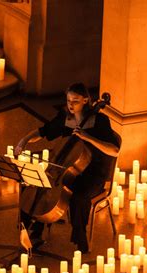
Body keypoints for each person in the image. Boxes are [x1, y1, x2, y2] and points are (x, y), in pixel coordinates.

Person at [15, 83, 120, 253]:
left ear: (86, 100)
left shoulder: (100, 121)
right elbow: (44, 131)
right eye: (69, 100)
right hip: (65, 169)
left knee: (78, 197)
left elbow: (114, 150)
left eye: (76, 101)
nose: (71, 105)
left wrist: (88, 137)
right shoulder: (66, 118)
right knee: (35, 184)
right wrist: (24, 141)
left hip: (93, 172)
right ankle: (33, 230)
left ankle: (80, 237)